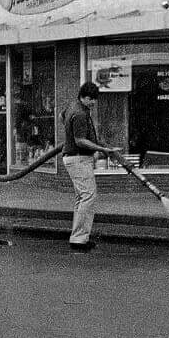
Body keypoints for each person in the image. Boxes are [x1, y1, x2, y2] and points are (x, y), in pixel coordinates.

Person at [61, 81, 121, 252]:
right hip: (78, 159)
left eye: (95, 99)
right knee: (88, 197)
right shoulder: (80, 114)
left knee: (82, 198)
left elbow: (61, 115)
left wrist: (68, 134)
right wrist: (102, 149)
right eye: (89, 99)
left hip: (74, 158)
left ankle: (78, 237)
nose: (93, 102)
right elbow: (80, 140)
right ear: (82, 97)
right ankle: (79, 240)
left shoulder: (73, 107)